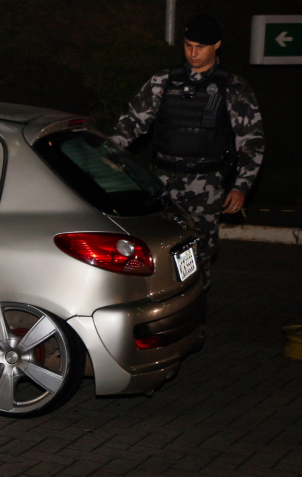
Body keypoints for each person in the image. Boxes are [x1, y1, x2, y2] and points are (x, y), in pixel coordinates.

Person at [108, 14, 265, 286]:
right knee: (158, 251)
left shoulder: (234, 88)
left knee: (200, 255)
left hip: (207, 185)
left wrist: (241, 186)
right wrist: (107, 155)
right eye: (188, 45)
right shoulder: (164, 81)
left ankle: (194, 317)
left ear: (216, 45)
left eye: (200, 47)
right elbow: (133, 122)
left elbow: (251, 140)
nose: (192, 53)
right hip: (163, 181)